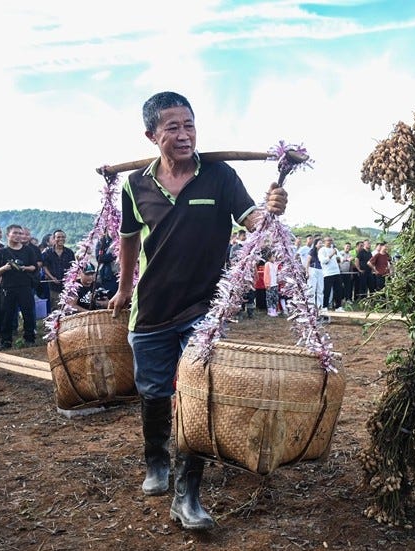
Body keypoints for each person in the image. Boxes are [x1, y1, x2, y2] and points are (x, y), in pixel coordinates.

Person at [107, 91, 287, 531]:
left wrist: (272, 211)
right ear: (152, 134)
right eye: (173, 127)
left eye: (190, 125)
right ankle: (156, 463)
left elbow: (254, 223)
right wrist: (124, 287)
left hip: (203, 310)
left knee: (195, 395)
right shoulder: (135, 186)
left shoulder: (220, 177)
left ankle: (187, 496)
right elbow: (129, 239)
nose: (184, 134)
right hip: (150, 310)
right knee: (153, 392)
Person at [0, 224, 39, 349]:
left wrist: (24, 268)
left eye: (20, 233)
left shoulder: (28, 250)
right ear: (8, 235)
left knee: (28, 313)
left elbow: (34, 266)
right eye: (15, 233)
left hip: (25, 286)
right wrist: (5, 268)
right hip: (8, 287)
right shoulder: (1, 252)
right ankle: (6, 341)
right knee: (7, 314)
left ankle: (29, 338)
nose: (18, 236)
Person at [42, 229, 75, 312]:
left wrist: (69, 279)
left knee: (67, 307)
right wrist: (52, 278)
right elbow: (44, 267)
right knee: (55, 307)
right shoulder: (47, 253)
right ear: (54, 238)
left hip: (67, 286)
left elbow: (73, 267)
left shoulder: (69, 252)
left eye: (63, 237)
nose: (61, 239)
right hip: (53, 286)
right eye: (58, 237)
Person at [319, 236, 344, 312]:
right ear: (324, 242)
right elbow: (323, 261)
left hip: (336, 272)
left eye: (330, 240)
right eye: (327, 240)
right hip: (327, 273)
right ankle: (324, 306)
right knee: (327, 290)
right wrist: (332, 254)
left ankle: (338, 307)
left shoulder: (335, 249)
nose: (329, 242)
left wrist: (339, 259)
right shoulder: (322, 250)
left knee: (338, 290)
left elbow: (341, 258)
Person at [305, 237, 324, 307]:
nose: (321, 244)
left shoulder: (322, 252)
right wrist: (307, 272)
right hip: (312, 269)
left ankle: (319, 306)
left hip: (321, 270)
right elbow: (308, 261)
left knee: (320, 289)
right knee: (311, 288)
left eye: (322, 243)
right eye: (320, 243)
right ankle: (311, 306)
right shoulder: (312, 251)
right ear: (315, 244)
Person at [264, 251, 280, 317]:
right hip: (270, 284)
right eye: (273, 256)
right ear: (269, 258)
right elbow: (266, 274)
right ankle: (270, 310)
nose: (274, 258)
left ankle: (274, 309)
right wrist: (267, 284)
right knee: (270, 298)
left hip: (275, 284)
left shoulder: (275, 264)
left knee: (275, 297)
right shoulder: (267, 264)